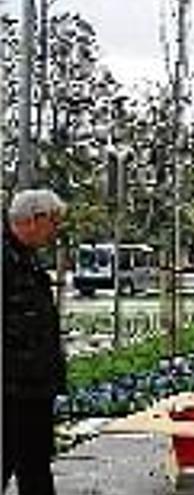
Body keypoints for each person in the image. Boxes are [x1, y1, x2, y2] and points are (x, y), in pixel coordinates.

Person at [3, 189, 67, 495]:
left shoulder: (25, 257)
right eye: (53, 223)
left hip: (32, 388)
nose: (56, 231)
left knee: (35, 465)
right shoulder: (5, 259)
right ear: (34, 219)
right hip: (12, 389)